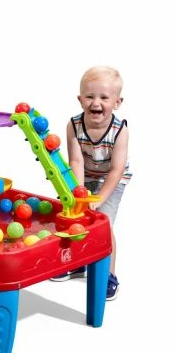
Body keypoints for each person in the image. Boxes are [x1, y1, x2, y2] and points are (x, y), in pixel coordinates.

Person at [50, 66, 132, 301]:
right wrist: (80, 194)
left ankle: (108, 275)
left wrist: (99, 199)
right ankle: (78, 263)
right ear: (80, 99)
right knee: (75, 216)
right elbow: (76, 161)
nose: (96, 103)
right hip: (85, 175)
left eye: (104, 97)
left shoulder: (120, 130)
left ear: (117, 102)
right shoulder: (74, 125)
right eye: (90, 96)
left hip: (111, 179)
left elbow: (116, 169)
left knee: (103, 223)